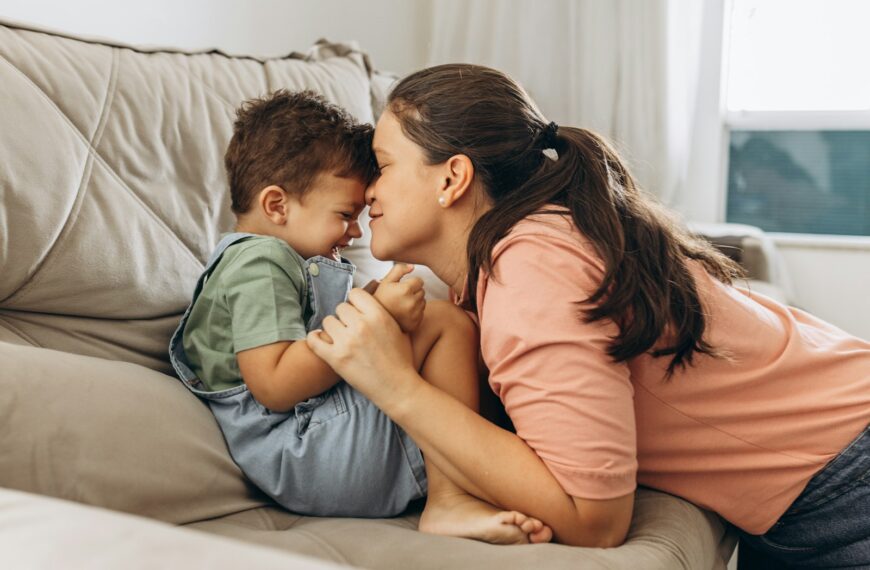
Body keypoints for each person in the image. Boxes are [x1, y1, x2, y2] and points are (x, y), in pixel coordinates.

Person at [306, 64, 870, 567]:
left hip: (847, 481)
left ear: (452, 178)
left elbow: (595, 520)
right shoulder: (533, 244)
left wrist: (395, 386)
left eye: (381, 165)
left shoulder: (529, 270)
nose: (367, 190)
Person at [168, 89, 551, 544]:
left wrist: (374, 304)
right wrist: (378, 315)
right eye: (345, 214)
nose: (355, 231)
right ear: (277, 205)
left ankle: (498, 480)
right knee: (444, 324)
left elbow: (320, 341)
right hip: (303, 448)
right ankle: (451, 499)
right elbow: (274, 385)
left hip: (318, 442)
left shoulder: (282, 260)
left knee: (462, 357)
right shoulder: (259, 263)